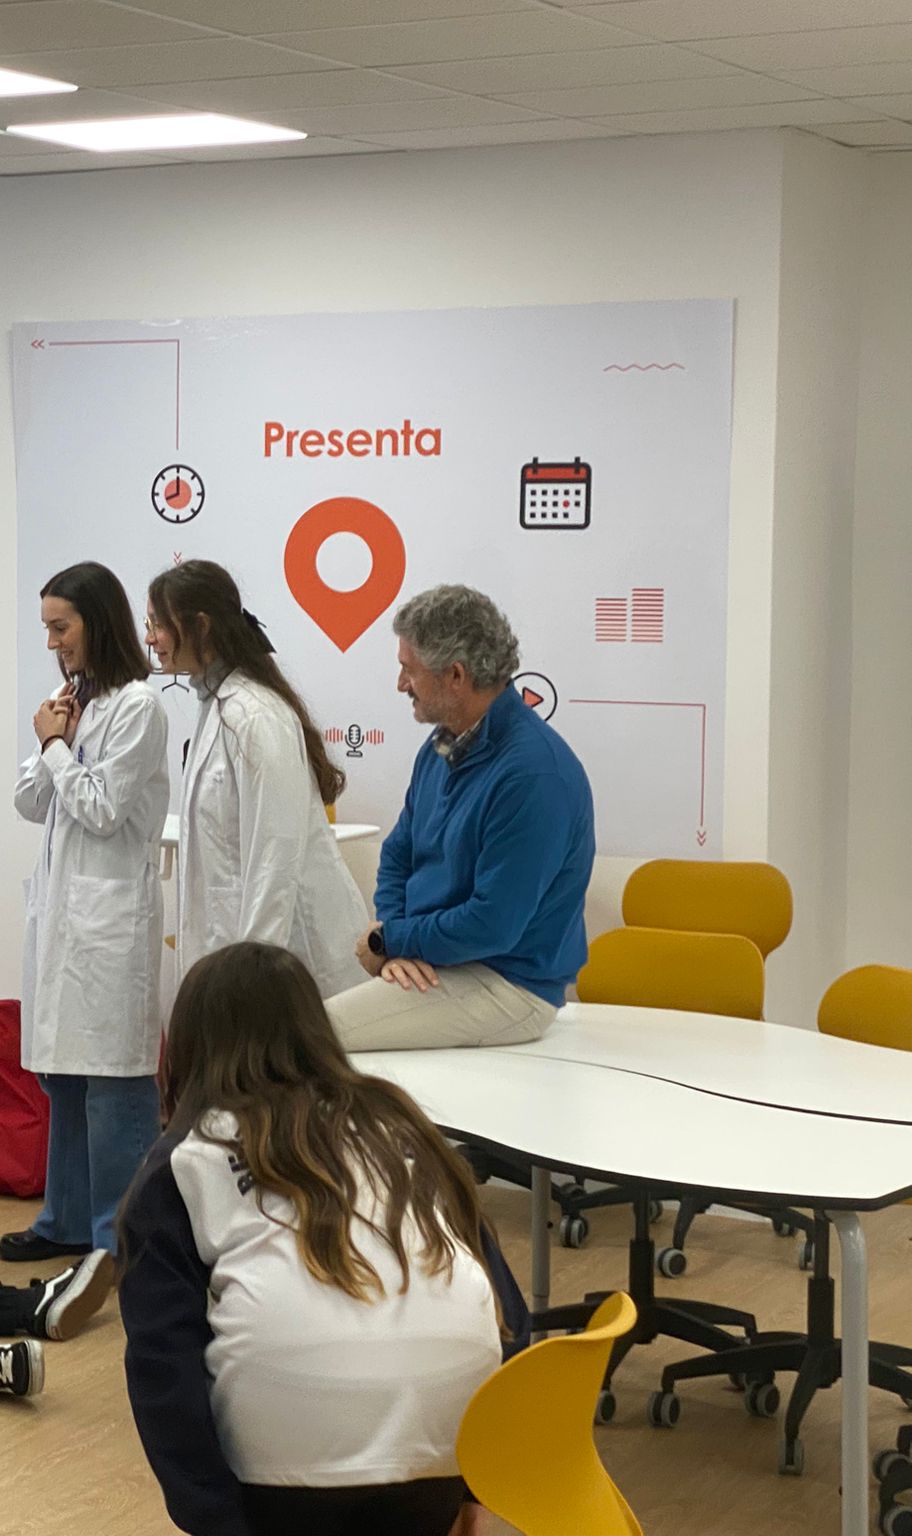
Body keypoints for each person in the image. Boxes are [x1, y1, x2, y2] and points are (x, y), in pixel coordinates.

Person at [119, 942, 529, 1536]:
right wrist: (480, 1487)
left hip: (282, 1489)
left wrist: (213, 1520)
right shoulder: (403, 1124)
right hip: (445, 1460)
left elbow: (162, 1362)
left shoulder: (187, 1156)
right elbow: (504, 1307)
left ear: (190, 1047)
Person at [330, 585, 595, 1052]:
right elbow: (398, 855)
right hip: (441, 962)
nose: (399, 684)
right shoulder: (440, 747)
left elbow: (493, 924)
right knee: (298, 1026)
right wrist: (394, 943)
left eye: (407, 670)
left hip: (510, 986)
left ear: (455, 675)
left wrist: (391, 939)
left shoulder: (533, 774)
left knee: (305, 1038)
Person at [5, 562, 170, 1263]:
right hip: (63, 918)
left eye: (60, 627)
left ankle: (118, 1239)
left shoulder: (139, 706)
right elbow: (29, 801)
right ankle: (64, 1219)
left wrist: (53, 746)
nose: (51, 642)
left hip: (110, 922)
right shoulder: (70, 698)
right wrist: (53, 740)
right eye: (46, 627)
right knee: (62, 1076)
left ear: (96, 623)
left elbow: (102, 810)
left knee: (113, 1083)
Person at [145, 560, 367, 999]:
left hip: (283, 967)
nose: (150, 639)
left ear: (201, 626)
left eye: (158, 624)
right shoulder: (220, 707)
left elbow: (275, 859)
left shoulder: (255, 715)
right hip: (237, 955)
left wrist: (252, 977)